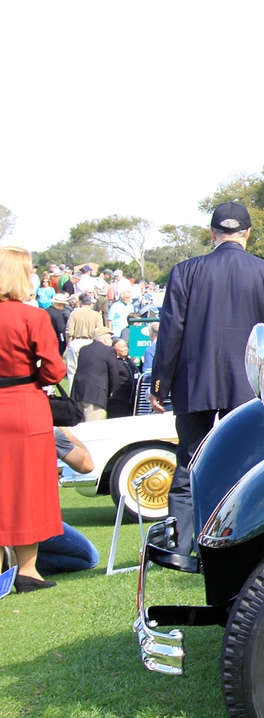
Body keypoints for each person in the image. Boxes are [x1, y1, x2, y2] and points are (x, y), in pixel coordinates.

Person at [150, 201, 264, 561]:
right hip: (247, 385)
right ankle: (242, 542)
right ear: (247, 233)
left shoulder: (185, 271)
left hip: (195, 382)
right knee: (247, 464)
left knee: (189, 461)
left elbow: (170, 334)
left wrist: (159, 385)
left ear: (212, 233)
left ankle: (180, 544)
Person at [0, 246, 68, 592]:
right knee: (28, 490)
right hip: (26, 406)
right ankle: (27, 571)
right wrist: (36, 379)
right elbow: (55, 370)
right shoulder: (33, 317)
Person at [39, 427, 101, 574]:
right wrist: (67, 434)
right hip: (35, 520)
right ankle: (20, 565)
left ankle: (17, 560)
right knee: (90, 558)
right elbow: (86, 465)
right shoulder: (47, 431)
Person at [73, 325, 126, 421]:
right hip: (96, 394)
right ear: (105, 340)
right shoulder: (109, 351)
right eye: (110, 339)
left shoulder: (84, 349)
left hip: (78, 391)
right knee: (94, 428)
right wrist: (111, 391)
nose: (111, 341)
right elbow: (113, 373)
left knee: (79, 427)